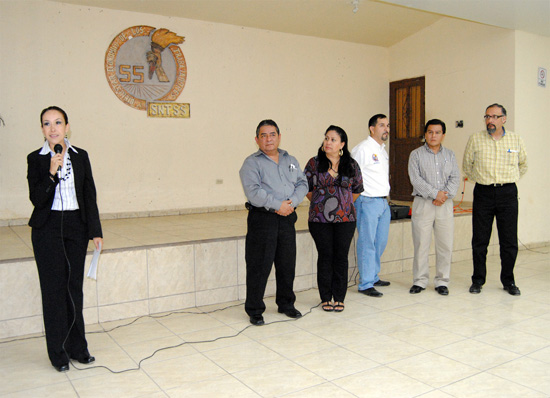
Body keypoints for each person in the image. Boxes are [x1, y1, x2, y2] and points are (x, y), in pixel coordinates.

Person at [27, 106, 103, 372]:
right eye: (47, 124)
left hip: (75, 227)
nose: (53, 129)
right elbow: (37, 199)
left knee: (73, 290)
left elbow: (88, 194)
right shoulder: (35, 159)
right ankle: (57, 353)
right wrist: (50, 171)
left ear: (67, 126)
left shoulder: (81, 156)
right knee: (53, 292)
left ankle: (77, 348)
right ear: (42, 130)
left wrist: (95, 231)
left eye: (58, 122)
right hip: (47, 229)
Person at [239, 119, 308, 325]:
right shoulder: (251, 163)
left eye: (272, 134)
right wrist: (278, 205)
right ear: (256, 139)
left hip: (287, 218)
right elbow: (254, 192)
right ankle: (255, 309)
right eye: (263, 135)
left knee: (287, 263)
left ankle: (286, 303)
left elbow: (302, 183)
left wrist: (292, 203)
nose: (268, 139)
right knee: (259, 265)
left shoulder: (291, 160)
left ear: (279, 136)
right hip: (263, 219)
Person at [463, 103, 528, 296]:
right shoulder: (475, 139)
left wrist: (506, 181)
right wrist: (483, 181)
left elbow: (523, 165)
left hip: (508, 193)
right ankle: (477, 280)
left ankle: (509, 281)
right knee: (480, 240)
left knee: (509, 241)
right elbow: (467, 166)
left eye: (494, 116)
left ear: (503, 119)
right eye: (487, 117)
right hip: (483, 193)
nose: (489, 120)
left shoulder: (516, 140)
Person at [304, 126, 364, 312]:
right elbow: (306, 189)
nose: (328, 142)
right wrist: (323, 203)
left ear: (342, 144)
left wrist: (342, 204)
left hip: (346, 220)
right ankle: (325, 297)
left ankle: (339, 297)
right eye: (326, 138)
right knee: (325, 256)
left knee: (341, 257)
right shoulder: (314, 164)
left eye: (333, 139)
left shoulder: (351, 165)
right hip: (319, 220)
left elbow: (356, 191)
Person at [408, 119, 460, 295]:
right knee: (421, 243)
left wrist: (443, 195)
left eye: (437, 132)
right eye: (430, 132)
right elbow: (415, 179)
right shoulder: (415, 155)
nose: (433, 136)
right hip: (423, 203)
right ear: (425, 134)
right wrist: (435, 194)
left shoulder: (450, 155)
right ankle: (420, 281)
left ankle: (442, 281)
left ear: (443, 135)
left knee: (445, 244)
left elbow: (455, 178)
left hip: (444, 204)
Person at [351, 114, 392, 297]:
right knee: (367, 242)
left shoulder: (382, 150)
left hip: (383, 202)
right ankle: (365, 283)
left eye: (387, 125)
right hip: (367, 201)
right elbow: (352, 176)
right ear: (372, 128)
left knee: (380, 241)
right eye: (382, 125)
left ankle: (373, 275)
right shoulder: (363, 149)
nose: (386, 129)